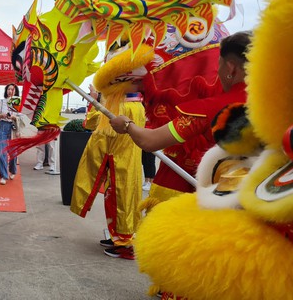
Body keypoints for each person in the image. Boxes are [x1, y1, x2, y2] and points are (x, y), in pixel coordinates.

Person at [109, 31, 251, 204]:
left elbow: (150, 141)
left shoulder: (209, 108)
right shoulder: (278, 104)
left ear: (230, 68)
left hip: (221, 202)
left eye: (218, 64)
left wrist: (126, 125)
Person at [70, 43, 154, 260]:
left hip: (119, 162)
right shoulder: (136, 105)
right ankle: (120, 236)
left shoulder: (121, 106)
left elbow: (92, 125)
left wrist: (95, 100)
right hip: (123, 160)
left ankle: (124, 242)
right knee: (120, 198)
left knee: (120, 199)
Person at [0, 83, 20, 184]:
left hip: (14, 127)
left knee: (13, 152)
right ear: (6, 90)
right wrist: (3, 115)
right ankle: (3, 176)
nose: (10, 91)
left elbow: (22, 117)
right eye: (9, 89)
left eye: (13, 89)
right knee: (2, 152)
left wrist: (14, 117)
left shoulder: (19, 102)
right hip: (3, 125)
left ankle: (13, 170)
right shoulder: (1, 101)